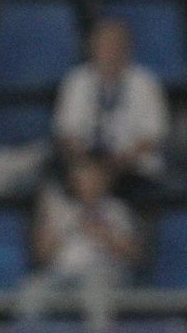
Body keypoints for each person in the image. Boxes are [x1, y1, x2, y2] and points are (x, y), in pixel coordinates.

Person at [53, 18, 168, 199]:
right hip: (85, 164)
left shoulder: (145, 83)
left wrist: (114, 165)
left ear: (127, 49)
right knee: (54, 179)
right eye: (103, 45)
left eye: (115, 45)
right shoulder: (76, 80)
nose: (109, 52)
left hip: (130, 168)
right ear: (92, 47)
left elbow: (151, 138)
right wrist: (88, 165)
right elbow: (66, 133)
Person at [18, 158, 139, 322]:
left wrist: (103, 233)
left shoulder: (116, 210)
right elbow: (41, 256)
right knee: (31, 290)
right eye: (83, 179)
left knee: (95, 289)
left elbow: (134, 255)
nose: (89, 184)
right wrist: (62, 228)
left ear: (104, 182)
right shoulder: (59, 209)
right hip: (61, 274)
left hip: (103, 272)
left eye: (94, 179)